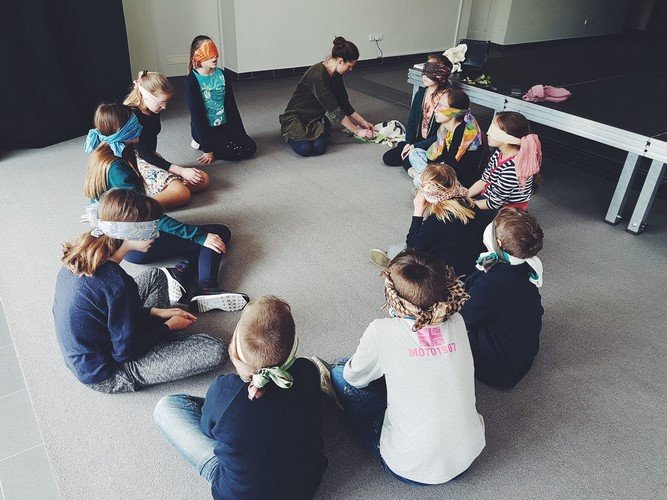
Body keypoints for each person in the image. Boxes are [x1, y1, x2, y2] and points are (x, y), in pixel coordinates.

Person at [312, 250, 485, 486]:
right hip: (467, 457)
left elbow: (355, 378)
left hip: (410, 468)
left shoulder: (381, 331)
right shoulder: (457, 320)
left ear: (392, 296)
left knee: (341, 372)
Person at [52, 189, 228, 393]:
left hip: (96, 341)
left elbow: (106, 308)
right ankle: (158, 339)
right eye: (151, 229)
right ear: (130, 232)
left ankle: (152, 334)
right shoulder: (118, 284)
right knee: (216, 350)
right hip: (109, 371)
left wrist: (155, 313)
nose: (157, 234)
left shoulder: (79, 255)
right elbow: (124, 352)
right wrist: (168, 327)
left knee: (156, 275)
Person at [154, 296, 328, 500]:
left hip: (240, 495)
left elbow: (206, 430)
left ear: (236, 344)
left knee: (168, 407)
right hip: (304, 488)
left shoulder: (224, 390)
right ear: (292, 346)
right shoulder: (308, 370)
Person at [83, 103, 248, 312]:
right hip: (138, 242)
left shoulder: (101, 154)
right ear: (122, 132)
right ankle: (207, 287)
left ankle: (179, 273)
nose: (139, 127)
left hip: (121, 240)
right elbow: (148, 216)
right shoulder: (119, 169)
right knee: (217, 233)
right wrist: (199, 236)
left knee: (199, 239)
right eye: (134, 125)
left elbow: (96, 199)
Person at [460, 208, 544, 389]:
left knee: (444, 334)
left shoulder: (491, 286)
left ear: (498, 243)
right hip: (519, 353)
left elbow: (462, 319)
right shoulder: (525, 268)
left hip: (500, 368)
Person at [370, 164, 480, 277]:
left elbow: (412, 248)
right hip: (472, 266)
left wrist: (418, 212)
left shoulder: (438, 220)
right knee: (409, 245)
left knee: (400, 249)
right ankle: (395, 261)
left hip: (450, 273)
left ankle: (395, 264)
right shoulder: (469, 203)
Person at [124, 70, 209, 209]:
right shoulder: (133, 117)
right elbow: (145, 154)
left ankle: (156, 194)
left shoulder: (152, 109)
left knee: (202, 179)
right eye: (161, 102)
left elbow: (150, 150)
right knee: (182, 193)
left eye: (166, 102)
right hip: (134, 162)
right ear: (146, 95)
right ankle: (134, 208)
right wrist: (181, 171)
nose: (164, 107)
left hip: (149, 157)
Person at [279, 36, 374, 157]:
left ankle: (316, 130)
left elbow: (344, 103)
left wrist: (363, 122)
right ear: (340, 61)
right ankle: (289, 132)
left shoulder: (336, 74)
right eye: (350, 66)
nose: (351, 70)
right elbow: (335, 111)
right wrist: (357, 131)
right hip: (297, 116)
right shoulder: (317, 75)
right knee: (305, 149)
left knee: (319, 148)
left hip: (315, 117)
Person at [186, 35, 257, 164]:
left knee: (251, 148)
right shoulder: (192, 81)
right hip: (206, 128)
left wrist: (241, 132)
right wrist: (208, 149)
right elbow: (197, 116)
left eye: (215, 52)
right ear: (197, 55)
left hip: (224, 124)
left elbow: (231, 106)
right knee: (231, 152)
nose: (215, 57)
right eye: (209, 53)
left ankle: (219, 141)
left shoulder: (222, 75)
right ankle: (199, 141)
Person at [406, 88, 485, 188]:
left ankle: (424, 178)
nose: (435, 109)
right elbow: (440, 155)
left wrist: (437, 168)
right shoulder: (445, 126)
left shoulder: (463, 132)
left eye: (441, 106)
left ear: (453, 112)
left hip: (456, 177)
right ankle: (426, 178)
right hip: (444, 166)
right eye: (438, 104)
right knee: (415, 153)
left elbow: (453, 167)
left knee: (418, 181)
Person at [467, 111, 542, 217]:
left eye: (494, 131)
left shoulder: (512, 169)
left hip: (503, 211)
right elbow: (484, 180)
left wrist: (464, 205)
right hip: (490, 197)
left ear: (507, 139)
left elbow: (493, 204)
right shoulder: (500, 152)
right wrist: (464, 196)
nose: (488, 133)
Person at [382, 54, 452, 168]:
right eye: (424, 72)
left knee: (408, 160)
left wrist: (415, 147)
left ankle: (418, 166)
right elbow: (412, 121)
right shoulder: (421, 94)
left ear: (441, 75)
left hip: (437, 144)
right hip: (418, 140)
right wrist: (408, 143)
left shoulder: (448, 99)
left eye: (429, 73)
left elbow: (444, 134)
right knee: (389, 158)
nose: (424, 76)